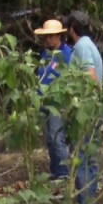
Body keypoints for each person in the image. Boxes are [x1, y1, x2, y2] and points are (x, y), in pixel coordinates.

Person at [63, 10, 103, 204]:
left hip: (85, 111)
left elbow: (90, 75)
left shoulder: (81, 47)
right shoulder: (90, 45)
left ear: (71, 30)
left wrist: (87, 101)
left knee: (81, 156)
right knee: (89, 156)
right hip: (92, 109)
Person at [34, 19, 73, 181]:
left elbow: (69, 79)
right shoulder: (45, 54)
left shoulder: (66, 53)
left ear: (58, 36)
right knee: (49, 138)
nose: (48, 40)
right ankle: (55, 170)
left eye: (50, 36)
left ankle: (64, 173)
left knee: (57, 137)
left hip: (58, 102)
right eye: (46, 37)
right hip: (43, 101)